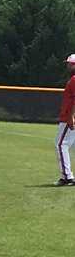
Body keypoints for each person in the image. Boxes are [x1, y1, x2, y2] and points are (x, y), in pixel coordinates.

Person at [56, 53, 75, 185]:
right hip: (70, 116)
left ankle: (67, 176)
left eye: (71, 64)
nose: (68, 66)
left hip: (69, 117)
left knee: (60, 144)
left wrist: (71, 117)